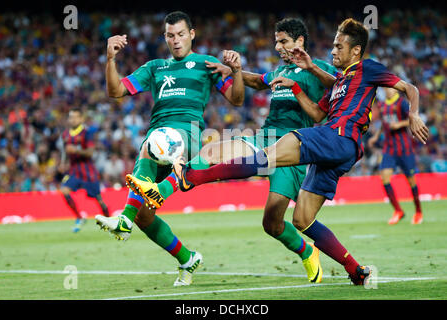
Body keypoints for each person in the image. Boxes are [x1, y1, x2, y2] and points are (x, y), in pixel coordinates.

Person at [131, 18, 429, 285]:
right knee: (298, 220)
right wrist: (236, 70)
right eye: (275, 41)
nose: (333, 50)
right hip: (309, 144)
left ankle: (187, 179)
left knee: (262, 183)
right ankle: (355, 270)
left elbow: (385, 86)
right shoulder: (305, 77)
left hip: (316, 140)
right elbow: (300, 103)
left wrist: (414, 113)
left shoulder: (347, 69)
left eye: (283, 40)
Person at [127, 18, 338, 283]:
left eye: (283, 41)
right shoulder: (279, 71)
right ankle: (162, 190)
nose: (277, 46)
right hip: (266, 139)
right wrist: (230, 71)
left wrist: (310, 70)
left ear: (300, 42)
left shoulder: (316, 67)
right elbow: (260, 82)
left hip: (294, 149)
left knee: (272, 224)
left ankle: (308, 250)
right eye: (275, 41)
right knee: (213, 151)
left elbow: (339, 83)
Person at [95, 11, 244, 286]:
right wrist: (111, 58)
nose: (175, 41)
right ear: (165, 37)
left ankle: (123, 219)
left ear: (192, 34)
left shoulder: (206, 64)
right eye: (170, 35)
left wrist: (236, 70)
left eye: (180, 34)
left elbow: (236, 99)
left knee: (154, 143)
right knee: (144, 216)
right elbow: (116, 91)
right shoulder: (155, 67)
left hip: (188, 132)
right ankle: (187, 258)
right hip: (157, 133)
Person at [368, 87, 423, 224]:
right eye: (385, 87)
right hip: (389, 148)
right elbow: (383, 124)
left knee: (411, 181)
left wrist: (399, 124)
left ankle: (418, 211)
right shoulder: (381, 105)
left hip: (404, 148)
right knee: (384, 178)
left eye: (389, 87)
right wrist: (375, 136)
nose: (387, 90)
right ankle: (398, 210)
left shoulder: (402, 103)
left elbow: (413, 120)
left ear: (396, 90)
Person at [60, 108, 110, 233]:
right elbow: (65, 151)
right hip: (74, 171)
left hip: (88, 171)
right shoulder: (65, 134)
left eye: (76, 117)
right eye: (71, 117)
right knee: (64, 190)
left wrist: (76, 150)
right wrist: (62, 163)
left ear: (81, 119)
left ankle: (110, 221)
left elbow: (90, 152)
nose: (73, 120)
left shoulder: (86, 133)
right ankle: (79, 217)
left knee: (99, 199)